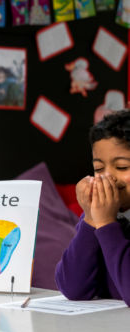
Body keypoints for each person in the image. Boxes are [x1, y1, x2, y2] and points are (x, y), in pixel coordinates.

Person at [56, 109, 130, 306]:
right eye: (98, 169)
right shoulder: (107, 216)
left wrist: (106, 224)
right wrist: (90, 218)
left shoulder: (109, 222)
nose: (108, 177)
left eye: (122, 167)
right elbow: (73, 289)